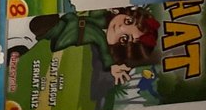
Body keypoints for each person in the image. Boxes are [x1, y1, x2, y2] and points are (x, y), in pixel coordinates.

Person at [9, 6, 160, 86]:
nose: (120, 28)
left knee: (39, 34)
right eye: (128, 21)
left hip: (63, 33)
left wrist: (112, 66)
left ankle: (18, 47)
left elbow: (105, 53)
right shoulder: (103, 17)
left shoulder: (100, 40)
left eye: (125, 38)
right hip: (62, 20)